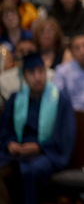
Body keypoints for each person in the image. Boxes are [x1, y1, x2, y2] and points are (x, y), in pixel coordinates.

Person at [0, 52, 75, 204]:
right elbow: (5, 129)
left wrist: (39, 147)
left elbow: (65, 137)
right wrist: (9, 143)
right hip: (18, 153)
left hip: (46, 154)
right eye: (31, 72)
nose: (37, 77)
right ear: (24, 76)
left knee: (32, 170)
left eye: (41, 71)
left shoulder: (60, 100)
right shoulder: (16, 99)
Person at [0, 39, 54, 106]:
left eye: (30, 51)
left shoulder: (52, 76)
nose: (25, 54)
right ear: (15, 54)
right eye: (21, 52)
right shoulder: (3, 80)